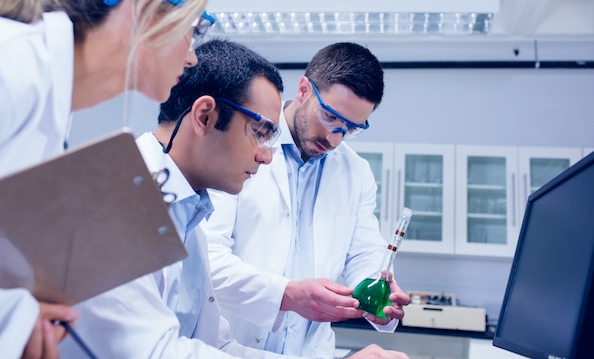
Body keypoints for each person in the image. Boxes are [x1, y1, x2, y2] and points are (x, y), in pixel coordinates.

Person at [60, 39, 409, 359]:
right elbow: (154, 351)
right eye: (259, 133)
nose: (267, 155)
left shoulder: (189, 214)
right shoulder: (119, 200)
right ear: (204, 116)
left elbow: (217, 346)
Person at [0, 0, 212, 357]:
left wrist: (19, 316)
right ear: (146, 10)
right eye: (196, 26)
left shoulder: (47, 98)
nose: (191, 56)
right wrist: (12, 319)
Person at [201, 42, 412, 358]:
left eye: (351, 129)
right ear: (303, 90)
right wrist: (286, 295)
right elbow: (207, 258)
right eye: (329, 117)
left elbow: (364, 253)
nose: (335, 138)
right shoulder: (243, 146)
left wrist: (376, 293)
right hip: (231, 347)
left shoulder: (356, 172)